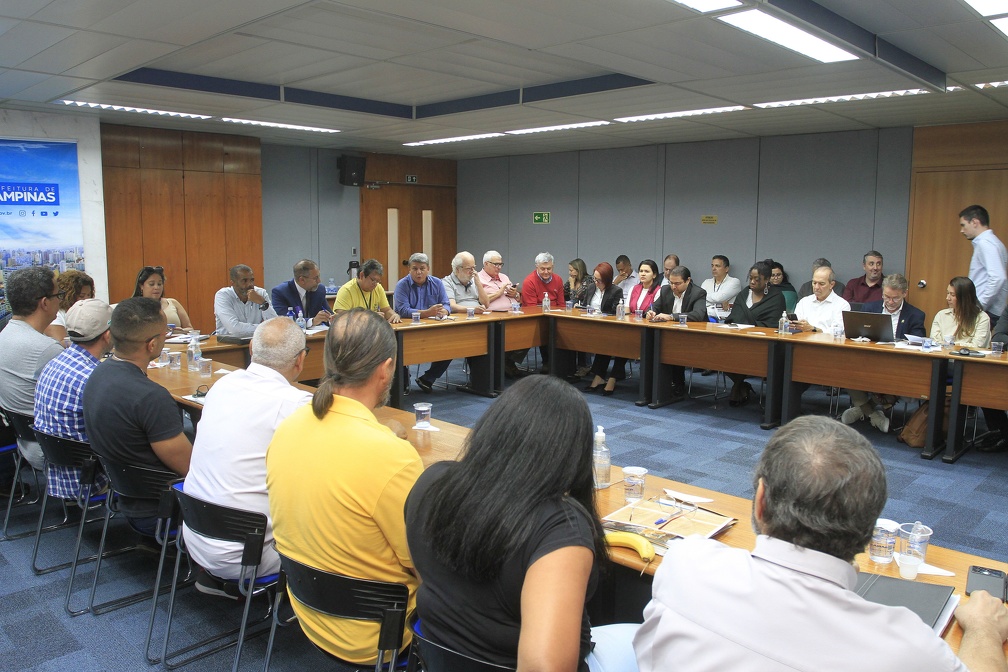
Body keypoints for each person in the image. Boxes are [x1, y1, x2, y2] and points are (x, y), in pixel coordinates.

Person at [633, 415, 1007, 672]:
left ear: (760, 500)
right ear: (869, 529)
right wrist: (984, 629)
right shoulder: (908, 649)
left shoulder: (687, 562)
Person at [406, 375, 639, 672]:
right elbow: (545, 667)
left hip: (440, 658)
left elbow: (424, 572)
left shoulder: (431, 482)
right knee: (651, 641)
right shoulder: (560, 528)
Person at [266, 309, 423, 666]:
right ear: (386, 369)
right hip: (379, 636)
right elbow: (424, 565)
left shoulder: (289, 427)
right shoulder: (392, 457)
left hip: (309, 615)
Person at [182, 318, 311, 587]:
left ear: (251, 348)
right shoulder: (296, 404)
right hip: (251, 555)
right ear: (300, 360)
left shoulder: (222, 385)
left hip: (195, 537)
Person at [82, 298, 192, 534]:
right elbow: (191, 470)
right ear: (152, 345)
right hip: (163, 509)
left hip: (126, 497)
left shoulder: (98, 374)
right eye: (165, 333)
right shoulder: (151, 397)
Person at [34, 299, 113, 501]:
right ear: (108, 335)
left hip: (57, 474)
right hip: (91, 480)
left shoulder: (54, 363)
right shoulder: (94, 378)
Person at [840, 274, 926, 434]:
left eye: (895, 298)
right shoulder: (869, 308)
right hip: (868, 360)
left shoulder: (915, 315)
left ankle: (863, 409)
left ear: (905, 293)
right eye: (886, 297)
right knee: (845, 370)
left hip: (897, 365)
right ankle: (873, 414)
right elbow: (854, 334)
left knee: (898, 376)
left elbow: (918, 342)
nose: (890, 302)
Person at [0, 267, 64, 473]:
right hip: (55, 449)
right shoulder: (46, 349)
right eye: (58, 295)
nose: (60, 300)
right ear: (45, 303)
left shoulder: (5, 335)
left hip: (26, 443)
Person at [725, 261, 785, 406]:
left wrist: (750, 326)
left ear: (767, 280)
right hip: (738, 338)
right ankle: (740, 385)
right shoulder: (744, 293)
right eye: (750, 278)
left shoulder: (776, 297)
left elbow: (772, 323)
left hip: (762, 344)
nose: (752, 282)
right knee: (720, 354)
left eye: (757, 279)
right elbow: (734, 317)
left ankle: (739, 387)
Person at [646, 266, 708, 402]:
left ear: (688, 280)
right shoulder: (665, 290)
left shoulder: (698, 293)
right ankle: (655, 385)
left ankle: (677, 384)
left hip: (693, 337)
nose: (673, 286)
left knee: (673, 348)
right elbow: (654, 306)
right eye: (671, 282)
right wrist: (651, 312)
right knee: (653, 345)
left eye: (677, 283)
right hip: (669, 335)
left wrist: (671, 316)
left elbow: (697, 315)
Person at [393, 252, 450, 392]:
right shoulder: (402, 285)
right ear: (409, 269)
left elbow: (446, 303)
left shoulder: (437, 283)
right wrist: (427, 313)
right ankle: (403, 379)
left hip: (433, 328)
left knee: (451, 344)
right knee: (399, 348)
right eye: (414, 268)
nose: (418, 272)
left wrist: (445, 311)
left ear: (428, 269)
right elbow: (403, 310)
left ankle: (428, 378)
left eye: (422, 268)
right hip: (408, 330)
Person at [514, 252, 566, 375]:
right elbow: (531, 308)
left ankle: (562, 367)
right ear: (536, 267)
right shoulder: (529, 281)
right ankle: (547, 363)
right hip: (535, 318)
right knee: (544, 330)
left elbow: (561, 304)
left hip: (555, 316)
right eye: (543, 269)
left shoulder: (558, 279)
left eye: (549, 268)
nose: (546, 272)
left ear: (553, 266)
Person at [960, 204, 1008, 325]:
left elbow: (998, 277)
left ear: (974, 222)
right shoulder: (994, 242)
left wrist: (979, 305)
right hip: (988, 310)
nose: (962, 230)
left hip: (985, 311)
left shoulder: (986, 243)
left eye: (963, 225)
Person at [583, 263, 625, 395]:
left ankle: (609, 377)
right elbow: (583, 307)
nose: (596, 282)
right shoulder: (591, 288)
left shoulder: (616, 291)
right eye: (594, 279)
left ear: (607, 280)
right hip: (590, 325)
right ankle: (599, 376)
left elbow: (615, 312)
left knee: (613, 343)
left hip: (610, 328)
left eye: (599, 280)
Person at [214, 264, 278, 337]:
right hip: (226, 342)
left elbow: (276, 324)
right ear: (233, 283)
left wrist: (263, 303)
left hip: (254, 340)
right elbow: (234, 330)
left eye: (252, 280)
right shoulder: (223, 295)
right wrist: (267, 328)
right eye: (244, 281)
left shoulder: (260, 293)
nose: (250, 284)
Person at [333, 258, 400, 323]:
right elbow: (341, 317)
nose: (375, 284)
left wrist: (394, 315)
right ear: (362, 275)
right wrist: (368, 317)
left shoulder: (378, 288)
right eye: (373, 280)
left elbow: (386, 310)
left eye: (378, 281)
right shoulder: (346, 290)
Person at [931, 276, 990, 349]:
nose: (948, 298)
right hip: (942, 355)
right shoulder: (941, 315)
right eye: (947, 293)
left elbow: (977, 346)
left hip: (968, 355)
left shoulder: (982, 318)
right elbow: (934, 342)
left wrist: (952, 344)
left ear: (965, 298)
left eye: (953, 295)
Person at [270, 259, 332, 327]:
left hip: (317, 333)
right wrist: (312, 321)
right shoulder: (281, 292)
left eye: (319, 276)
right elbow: (283, 321)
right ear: (302, 280)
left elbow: (328, 315)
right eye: (315, 278)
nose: (319, 281)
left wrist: (332, 319)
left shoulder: (319, 290)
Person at [132, 265, 193, 332]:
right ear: (141, 286)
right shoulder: (134, 307)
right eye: (151, 284)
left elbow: (190, 328)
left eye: (159, 284)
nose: (156, 287)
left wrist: (181, 331)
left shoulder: (172, 302)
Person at [792, 266, 851, 333]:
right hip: (802, 338)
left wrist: (814, 329)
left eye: (821, 284)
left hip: (827, 340)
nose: (816, 287)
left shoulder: (842, 305)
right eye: (814, 283)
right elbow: (796, 326)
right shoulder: (804, 302)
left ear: (831, 284)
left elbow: (837, 331)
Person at [43, 269, 95, 341]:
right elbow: (61, 342)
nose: (87, 299)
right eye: (82, 296)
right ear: (69, 295)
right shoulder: (57, 315)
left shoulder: (88, 312)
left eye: (89, 295)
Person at [700, 255, 741, 321]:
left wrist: (704, 295)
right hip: (706, 318)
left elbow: (719, 298)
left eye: (717, 266)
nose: (714, 268)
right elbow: (700, 301)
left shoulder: (734, 282)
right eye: (712, 266)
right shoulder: (706, 282)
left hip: (724, 320)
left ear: (726, 269)